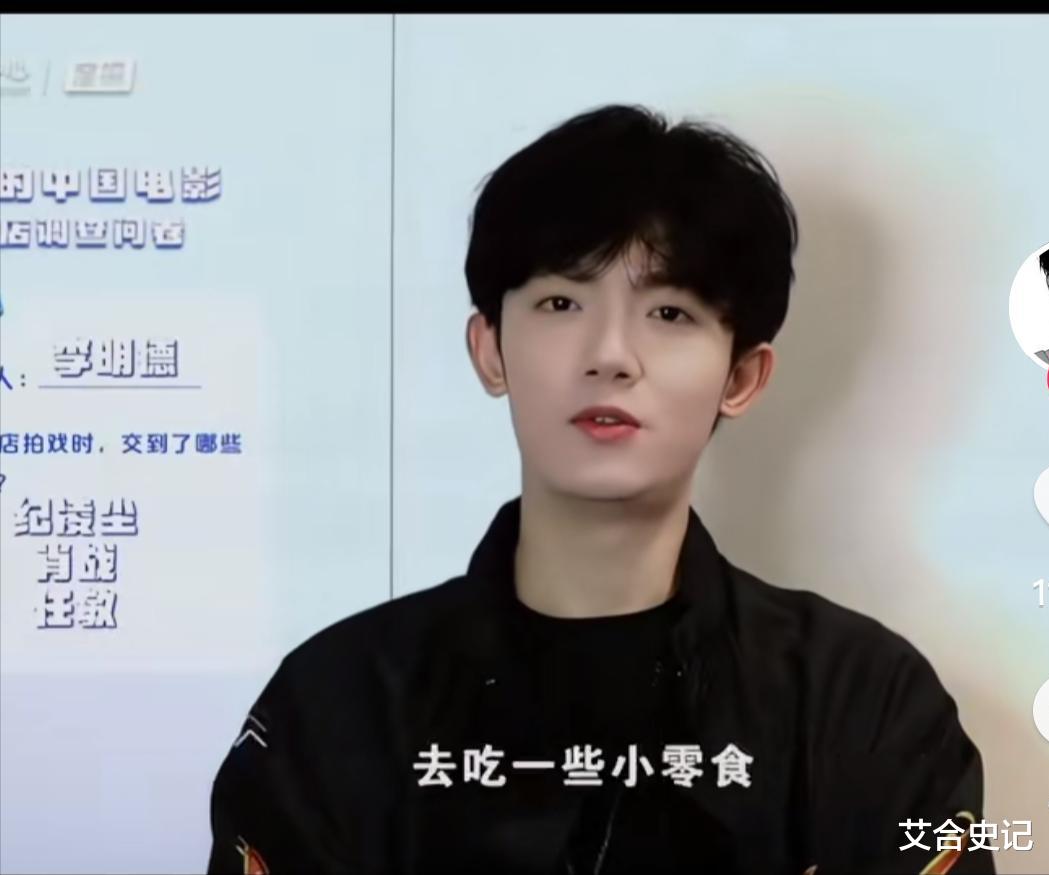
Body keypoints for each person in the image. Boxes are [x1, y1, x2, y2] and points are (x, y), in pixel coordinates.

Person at [206, 104, 994, 874]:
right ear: (490, 349)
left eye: (670, 312)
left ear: (742, 377)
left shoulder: (864, 702)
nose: (611, 354)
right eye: (561, 303)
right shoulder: (339, 702)